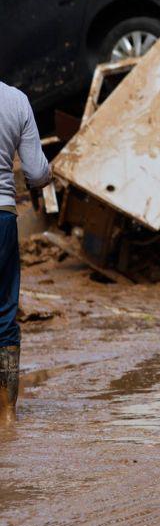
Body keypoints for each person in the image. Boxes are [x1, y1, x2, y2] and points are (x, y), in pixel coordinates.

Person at [0, 81, 50, 425]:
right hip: (2, 217)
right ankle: (7, 414)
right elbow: (36, 172)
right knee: (4, 314)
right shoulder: (15, 99)